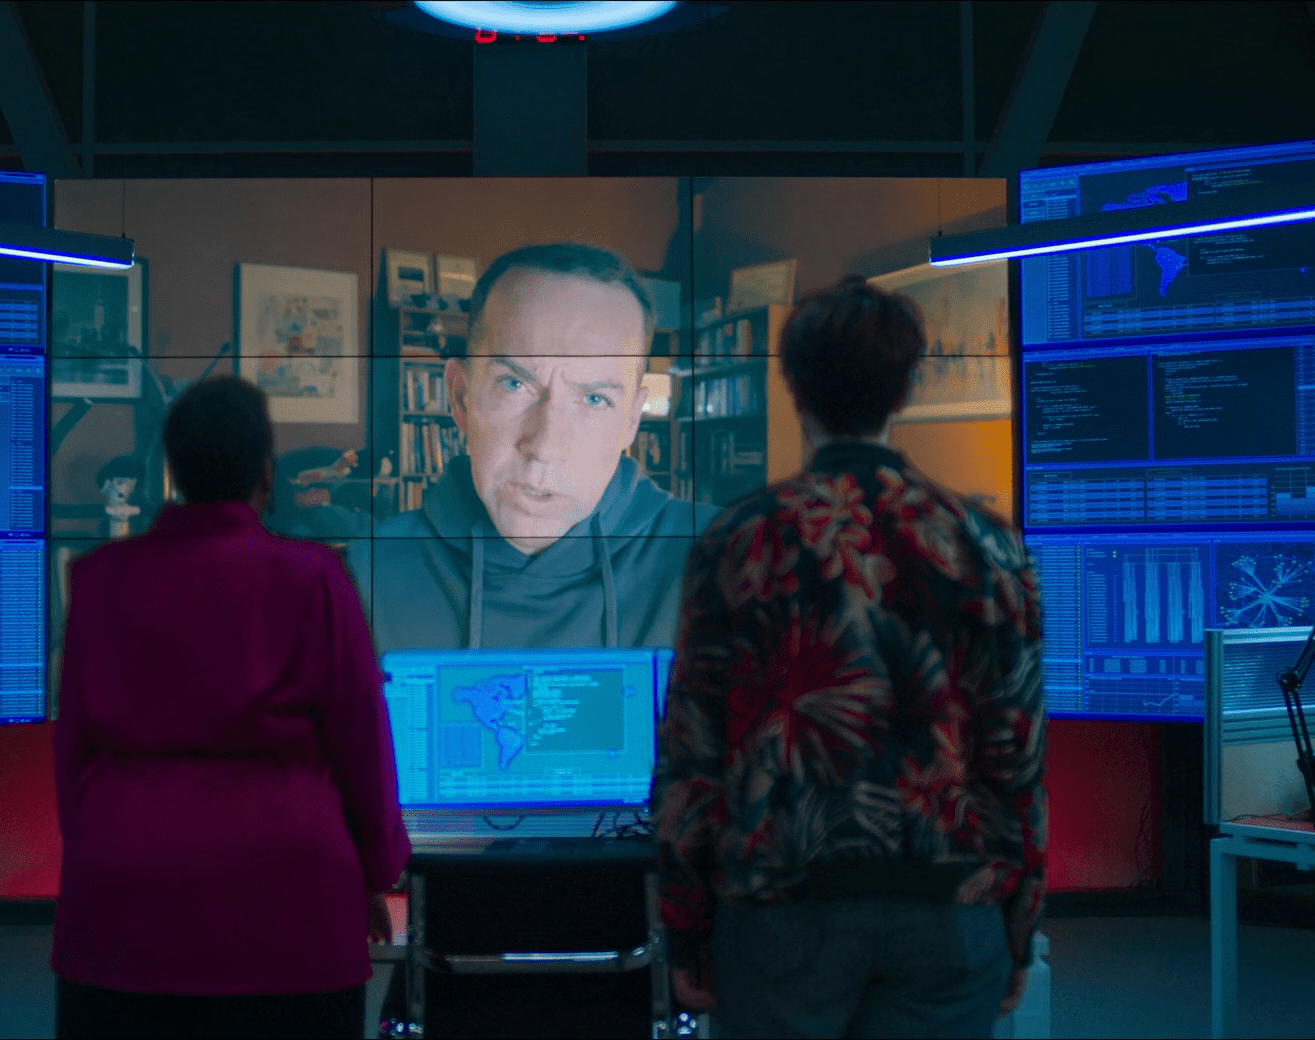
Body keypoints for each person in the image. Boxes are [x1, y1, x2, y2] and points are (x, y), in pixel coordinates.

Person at [651, 277, 1046, 1039]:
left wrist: (686, 927)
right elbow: (1018, 756)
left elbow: (694, 753)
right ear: (906, 387)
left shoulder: (742, 539)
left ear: (794, 388)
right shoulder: (988, 544)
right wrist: (1019, 926)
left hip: (779, 906)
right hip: (950, 905)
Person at [51, 376, 411, 1039]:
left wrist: (101, 849)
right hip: (292, 901)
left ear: (173, 469)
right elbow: (361, 739)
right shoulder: (315, 577)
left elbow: (73, 750)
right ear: (265, 474)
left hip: (124, 901)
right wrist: (378, 870)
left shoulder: (99, 579)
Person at [350, 242, 715, 652]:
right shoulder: (365, 577)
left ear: (631, 420)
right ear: (460, 396)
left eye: (595, 399)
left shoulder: (723, 563)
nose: (544, 447)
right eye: (514, 384)